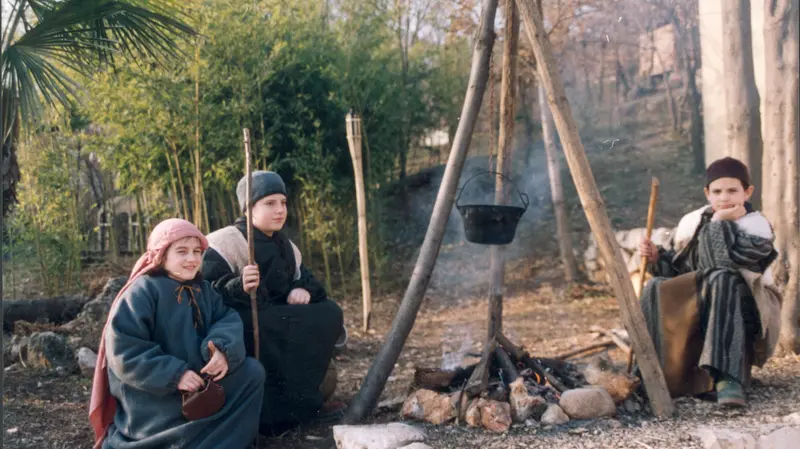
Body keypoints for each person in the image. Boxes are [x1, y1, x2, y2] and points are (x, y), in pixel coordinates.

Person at [89, 218, 265, 449]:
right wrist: (176, 374)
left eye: (197, 252)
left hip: (199, 383)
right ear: (161, 254)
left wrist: (222, 349)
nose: (192, 259)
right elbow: (125, 351)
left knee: (252, 373)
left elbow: (226, 319)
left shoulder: (203, 289)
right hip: (156, 396)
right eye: (182, 252)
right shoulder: (141, 292)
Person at [202, 170, 345, 434]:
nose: (280, 210)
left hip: (281, 316)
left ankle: (303, 403)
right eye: (270, 203)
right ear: (248, 208)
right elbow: (206, 290)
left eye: (283, 203)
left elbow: (312, 282)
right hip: (242, 321)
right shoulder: (224, 242)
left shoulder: (287, 246)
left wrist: (303, 289)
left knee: (329, 313)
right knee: (267, 324)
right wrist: (239, 286)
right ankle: (267, 415)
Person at [638, 157, 781, 407]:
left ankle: (727, 378)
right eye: (717, 191)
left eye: (732, 191)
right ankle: (662, 375)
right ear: (707, 193)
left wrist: (719, 223)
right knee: (657, 286)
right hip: (706, 294)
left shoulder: (757, 227)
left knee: (722, 278)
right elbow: (683, 269)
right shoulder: (693, 222)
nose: (724, 198)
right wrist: (657, 257)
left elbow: (721, 264)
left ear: (747, 192)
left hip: (750, 303)